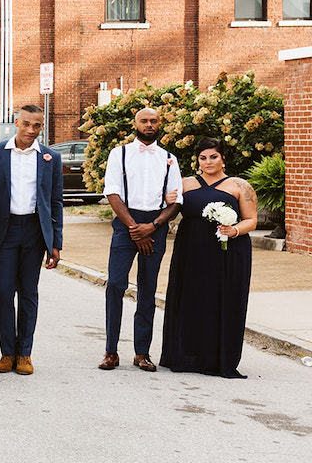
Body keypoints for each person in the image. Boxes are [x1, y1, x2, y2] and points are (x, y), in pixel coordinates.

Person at [160, 137, 256, 378]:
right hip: (190, 250)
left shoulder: (239, 185)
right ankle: (186, 355)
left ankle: (218, 358)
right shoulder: (185, 184)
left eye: (213, 156)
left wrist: (233, 230)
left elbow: (251, 220)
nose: (208, 162)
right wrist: (168, 201)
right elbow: (169, 215)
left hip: (228, 251)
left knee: (222, 299)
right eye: (203, 158)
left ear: (223, 157)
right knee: (190, 297)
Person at [99, 107, 182, 372]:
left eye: (153, 121)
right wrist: (135, 228)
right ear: (135, 123)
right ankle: (111, 351)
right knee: (115, 284)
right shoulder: (119, 154)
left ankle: (142, 352)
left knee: (148, 289)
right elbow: (112, 192)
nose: (149, 124)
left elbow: (176, 200)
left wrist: (154, 226)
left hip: (155, 226)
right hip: (127, 224)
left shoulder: (169, 158)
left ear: (160, 124)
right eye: (144, 120)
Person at [0, 105, 63, 375]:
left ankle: (24, 353)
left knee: (29, 294)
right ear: (16, 122)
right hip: (5, 230)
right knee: (4, 293)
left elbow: (55, 202)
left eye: (37, 125)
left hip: (34, 232)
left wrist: (55, 242)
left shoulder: (51, 157)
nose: (31, 130)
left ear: (42, 126)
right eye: (26, 124)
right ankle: (7, 353)